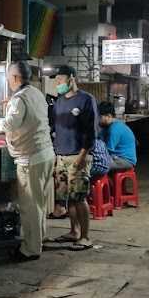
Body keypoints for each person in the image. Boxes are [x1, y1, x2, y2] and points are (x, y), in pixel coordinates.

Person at [0, 61, 55, 262]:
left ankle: (30, 249)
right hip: (46, 155)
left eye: (9, 77)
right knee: (39, 203)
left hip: (32, 159)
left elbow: (10, 123)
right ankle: (39, 239)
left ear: (15, 78)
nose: (8, 81)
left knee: (30, 206)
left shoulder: (20, 99)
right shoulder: (35, 93)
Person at [52, 65, 98, 250]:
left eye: (60, 80)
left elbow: (91, 131)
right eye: (56, 81)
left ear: (72, 78)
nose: (58, 84)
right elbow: (55, 129)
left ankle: (86, 237)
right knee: (67, 198)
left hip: (79, 155)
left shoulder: (86, 100)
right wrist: (56, 155)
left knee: (79, 197)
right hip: (61, 156)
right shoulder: (59, 102)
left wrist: (82, 156)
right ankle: (74, 232)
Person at [98, 101, 137, 171]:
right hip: (115, 157)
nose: (98, 120)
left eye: (99, 117)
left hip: (125, 160)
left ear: (109, 116)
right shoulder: (106, 127)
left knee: (97, 165)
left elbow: (107, 150)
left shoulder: (115, 129)